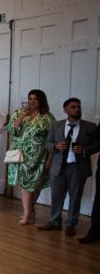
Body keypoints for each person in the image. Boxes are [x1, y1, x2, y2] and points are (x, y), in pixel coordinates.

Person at [36, 98, 98, 236]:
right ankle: (54, 221)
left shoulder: (90, 127)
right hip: (58, 166)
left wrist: (84, 150)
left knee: (75, 196)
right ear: (65, 110)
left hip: (78, 167)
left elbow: (97, 145)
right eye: (73, 107)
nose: (77, 109)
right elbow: (47, 143)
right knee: (56, 196)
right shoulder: (56, 126)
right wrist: (55, 146)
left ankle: (71, 224)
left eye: (78, 107)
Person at [5, 89, 55, 225]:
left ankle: (30, 209)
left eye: (35, 99)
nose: (32, 101)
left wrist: (50, 158)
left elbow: (53, 139)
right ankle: (27, 213)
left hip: (38, 156)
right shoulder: (18, 113)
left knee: (36, 185)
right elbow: (10, 130)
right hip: (19, 155)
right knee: (24, 184)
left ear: (41, 101)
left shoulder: (48, 118)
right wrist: (21, 117)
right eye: (30, 98)